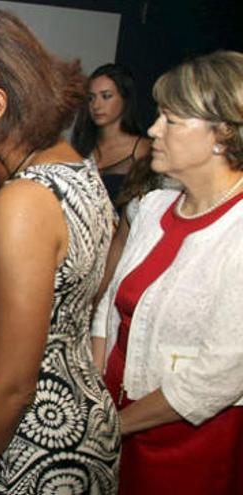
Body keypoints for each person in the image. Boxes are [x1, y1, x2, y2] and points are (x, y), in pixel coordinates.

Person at [0, 10, 120, 494]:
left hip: (26, 447)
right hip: (70, 415)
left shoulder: (24, 200)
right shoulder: (76, 164)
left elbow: (13, 384)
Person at [91, 50, 243, 494]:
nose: (154, 129)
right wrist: (98, 400)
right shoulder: (154, 206)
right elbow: (108, 306)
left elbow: (218, 375)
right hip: (116, 425)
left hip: (188, 447)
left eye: (172, 120)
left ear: (223, 134)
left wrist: (110, 427)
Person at [72, 64, 152, 207]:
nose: (96, 105)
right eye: (91, 98)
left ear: (125, 98)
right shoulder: (83, 146)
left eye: (106, 96)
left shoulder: (142, 149)